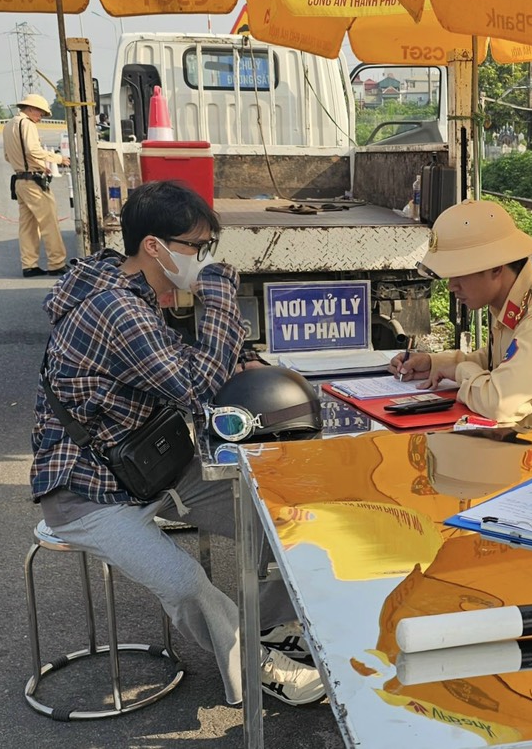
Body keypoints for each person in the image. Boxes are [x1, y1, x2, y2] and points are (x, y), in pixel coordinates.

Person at [30, 179, 324, 708]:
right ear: (153, 246)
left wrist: (235, 345)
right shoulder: (114, 309)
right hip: (86, 493)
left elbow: (193, 364)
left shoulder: (134, 290)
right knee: (185, 581)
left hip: (154, 468)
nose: (201, 258)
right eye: (195, 246)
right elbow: (194, 387)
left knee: (285, 527)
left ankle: (265, 625)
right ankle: (256, 666)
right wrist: (217, 298)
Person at [390, 199, 532, 428]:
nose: (451, 286)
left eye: (459, 274)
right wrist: (433, 364)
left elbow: (501, 404)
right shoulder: (509, 300)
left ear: (496, 268)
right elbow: (497, 364)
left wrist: (460, 370)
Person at [3, 93, 69, 277]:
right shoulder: (27, 124)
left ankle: (29, 265)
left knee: (27, 226)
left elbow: (7, 156)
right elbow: (33, 150)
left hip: (19, 181)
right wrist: (59, 159)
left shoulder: (9, 125)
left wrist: (28, 165)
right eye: (40, 113)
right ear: (30, 109)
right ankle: (57, 263)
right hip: (33, 182)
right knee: (49, 223)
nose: (40, 118)